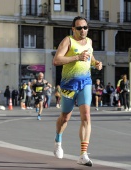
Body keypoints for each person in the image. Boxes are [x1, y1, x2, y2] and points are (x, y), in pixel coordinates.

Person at [52, 16, 102, 167]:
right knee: (65, 117)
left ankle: (83, 155)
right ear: (73, 29)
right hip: (68, 85)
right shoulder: (67, 41)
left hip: (85, 82)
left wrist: (96, 63)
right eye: (79, 28)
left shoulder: (90, 42)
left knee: (86, 116)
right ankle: (58, 140)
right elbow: (56, 60)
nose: (83, 31)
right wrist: (76, 57)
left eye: (85, 27)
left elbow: (90, 57)